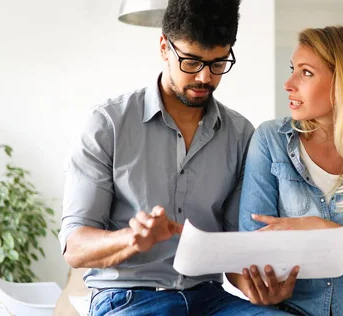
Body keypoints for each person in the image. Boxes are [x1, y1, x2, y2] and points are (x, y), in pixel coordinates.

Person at [59, 0, 292, 315]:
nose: (204, 78)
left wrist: (261, 287)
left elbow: (234, 249)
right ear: (163, 48)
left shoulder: (240, 135)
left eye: (218, 63)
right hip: (130, 296)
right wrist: (131, 239)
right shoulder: (108, 124)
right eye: (191, 62)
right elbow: (75, 247)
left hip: (210, 297)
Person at [234, 26, 343, 316]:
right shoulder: (270, 140)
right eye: (293, 69)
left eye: (306, 72)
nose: (288, 84)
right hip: (289, 309)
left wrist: (320, 229)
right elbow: (256, 243)